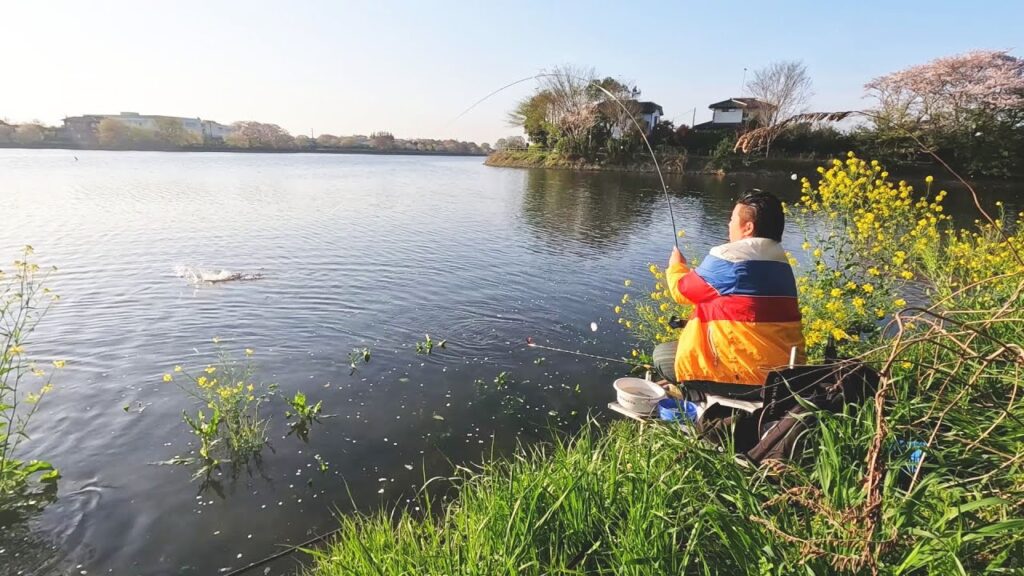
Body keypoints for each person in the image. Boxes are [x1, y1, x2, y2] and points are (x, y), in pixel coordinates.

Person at [652, 190, 805, 399]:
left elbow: (682, 290)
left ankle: (701, 403)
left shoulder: (731, 257)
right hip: (786, 374)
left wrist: (676, 266)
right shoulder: (780, 262)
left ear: (748, 228)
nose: (728, 224)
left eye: (732, 219)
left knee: (663, 356)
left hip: (752, 380)